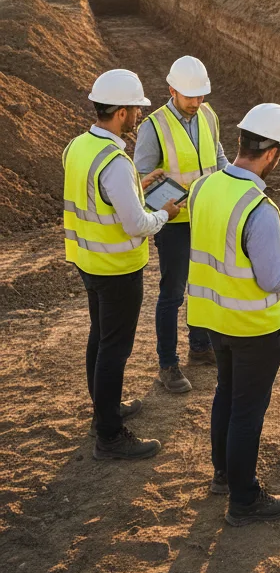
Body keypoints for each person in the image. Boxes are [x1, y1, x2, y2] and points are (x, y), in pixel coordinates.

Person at [186, 103, 280, 525]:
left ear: (242, 141)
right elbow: (272, 280)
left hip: (214, 318)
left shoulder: (203, 188)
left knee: (226, 395)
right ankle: (244, 499)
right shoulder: (260, 209)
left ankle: (224, 475)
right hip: (253, 328)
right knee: (247, 412)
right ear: (273, 153)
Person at [63, 69, 180, 460]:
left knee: (100, 337)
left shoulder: (78, 146)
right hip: (117, 269)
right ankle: (110, 436)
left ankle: (104, 411)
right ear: (121, 112)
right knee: (115, 349)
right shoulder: (114, 160)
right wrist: (163, 212)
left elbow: (100, 197)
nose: (139, 117)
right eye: (135, 109)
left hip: (88, 261)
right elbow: (136, 224)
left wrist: (139, 186)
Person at [134, 56, 227, 394]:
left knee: (203, 285)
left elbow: (217, 156)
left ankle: (200, 347)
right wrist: (165, 208)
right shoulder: (154, 126)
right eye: (190, 97)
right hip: (174, 223)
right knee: (172, 293)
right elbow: (140, 179)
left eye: (201, 96)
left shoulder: (208, 114)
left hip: (206, 216)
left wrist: (231, 182)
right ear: (171, 90)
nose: (197, 102)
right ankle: (167, 364)